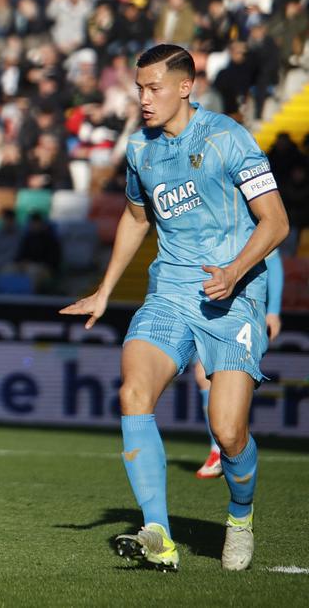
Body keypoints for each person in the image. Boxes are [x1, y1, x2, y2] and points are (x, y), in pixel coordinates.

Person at [60, 44, 289, 572]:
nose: (143, 99)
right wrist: (104, 289)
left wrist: (233, 272)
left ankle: (239, 515)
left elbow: (276, 222)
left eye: (154, 88)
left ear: (186, 87)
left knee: (228, 431)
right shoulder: (141, 148)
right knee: (133, 391)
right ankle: (157, 533)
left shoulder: (228, 137)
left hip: (233, 295)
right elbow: (138, 219)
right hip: (170, 293)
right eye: (139, 88)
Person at [194, 250, 283, 478]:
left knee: (224, 378)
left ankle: (229, 451)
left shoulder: (250, 220)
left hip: (244, 309)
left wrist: (273, 312)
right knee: (203, 375)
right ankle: (219, 450)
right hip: (210, 310)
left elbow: (274, 264)